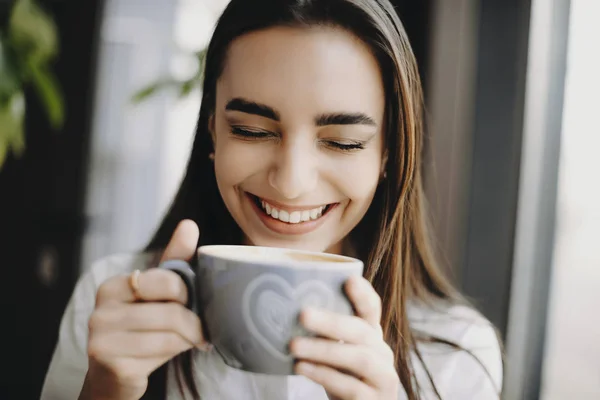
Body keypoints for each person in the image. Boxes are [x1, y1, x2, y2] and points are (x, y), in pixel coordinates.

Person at [41, 0, 503, 399]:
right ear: (212, 132)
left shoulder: (454, 353)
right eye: (251, 131)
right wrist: (103, 392)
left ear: (388, 153)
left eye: (342, 142)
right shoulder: (114, 306)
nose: (291, 184)